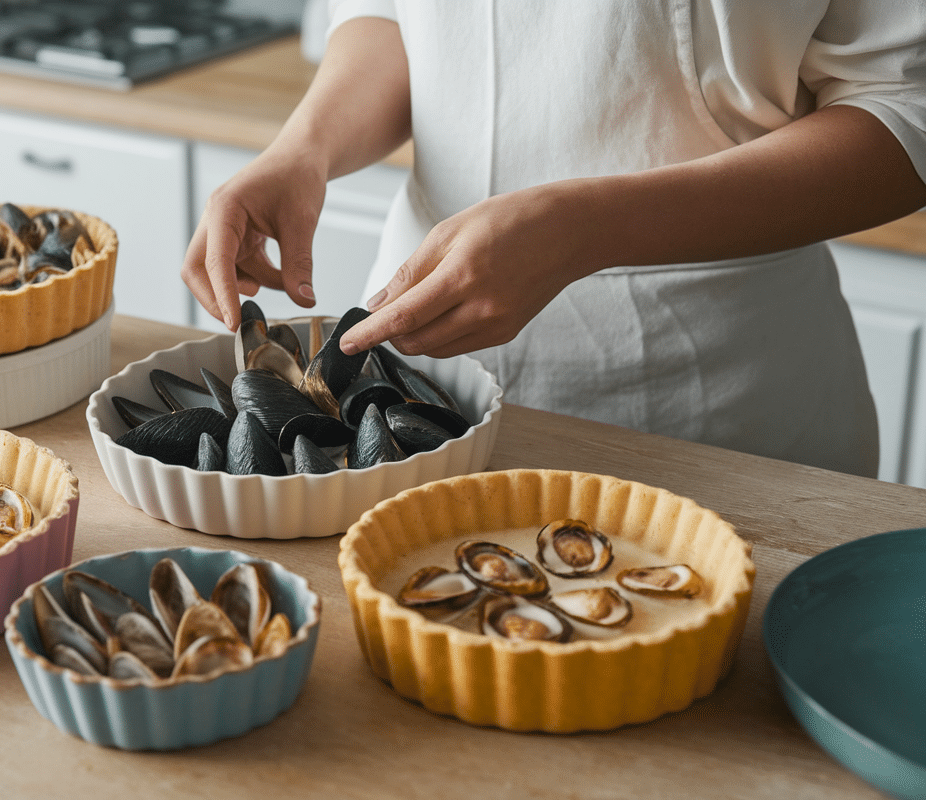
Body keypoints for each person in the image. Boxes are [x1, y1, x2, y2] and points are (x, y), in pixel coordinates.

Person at [181, 1, 926, 478]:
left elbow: (904, 107)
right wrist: (303, 150)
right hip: (412, 398)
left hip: (717, 414)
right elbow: (394, 18)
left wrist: (591, 226)